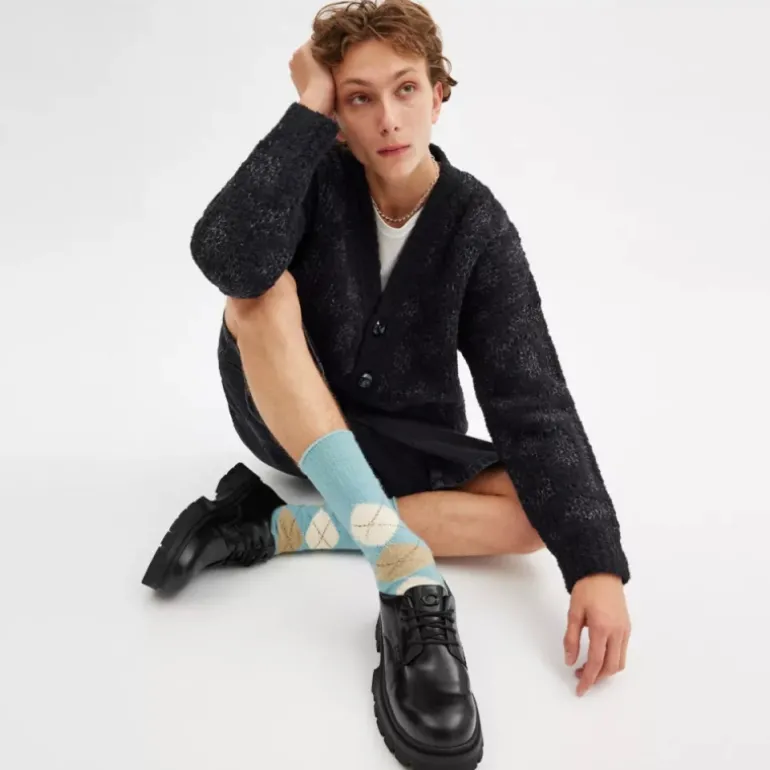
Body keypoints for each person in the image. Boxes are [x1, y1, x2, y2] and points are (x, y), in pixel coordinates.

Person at [141, 1, 632, 767]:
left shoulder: (476, 226)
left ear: (440, 94)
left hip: (396, 438)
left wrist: (595, 566)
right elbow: (228, 258)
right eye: (359, 98)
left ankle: (275, 526)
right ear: (338, 117)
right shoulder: (317, 175)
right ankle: (405, 577)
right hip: (280, 409)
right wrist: (307, 113)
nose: (388, 119)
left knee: (532, 519)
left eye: (405, 89)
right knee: (257, 294)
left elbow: (531, 398)